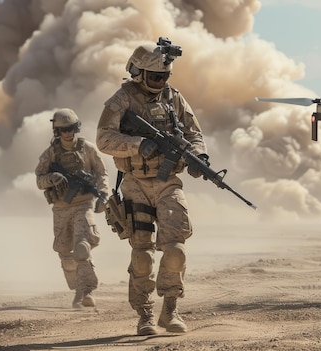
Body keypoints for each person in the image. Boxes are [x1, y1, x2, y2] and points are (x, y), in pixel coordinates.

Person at [96, 38, 208, 335]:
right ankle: (144, 314)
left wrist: (199, 157)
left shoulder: (173, 97)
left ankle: (170, 309)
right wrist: (137, 145)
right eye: (155, 76)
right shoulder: (122, 99)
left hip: (169, 182)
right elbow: (103, 139)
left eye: (164, 76)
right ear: (138, 72)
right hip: (135, 183)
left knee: (175, 250)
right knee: (143, 255)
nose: (160, 81)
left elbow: (194, 133)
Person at [35, 108, 109, 308]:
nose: (68, 133)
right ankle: (76, 286)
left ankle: (84, 291)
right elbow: (39, 180)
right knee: (66, 256)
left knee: (82, 248)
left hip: (83, 204)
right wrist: (53, 178)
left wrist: (104, 194)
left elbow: (102, 173)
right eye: (63, 130)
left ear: (76, 128)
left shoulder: (88, 149)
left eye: (71, 128)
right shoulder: (51, 153)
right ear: (57, 131)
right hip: (60, 208)